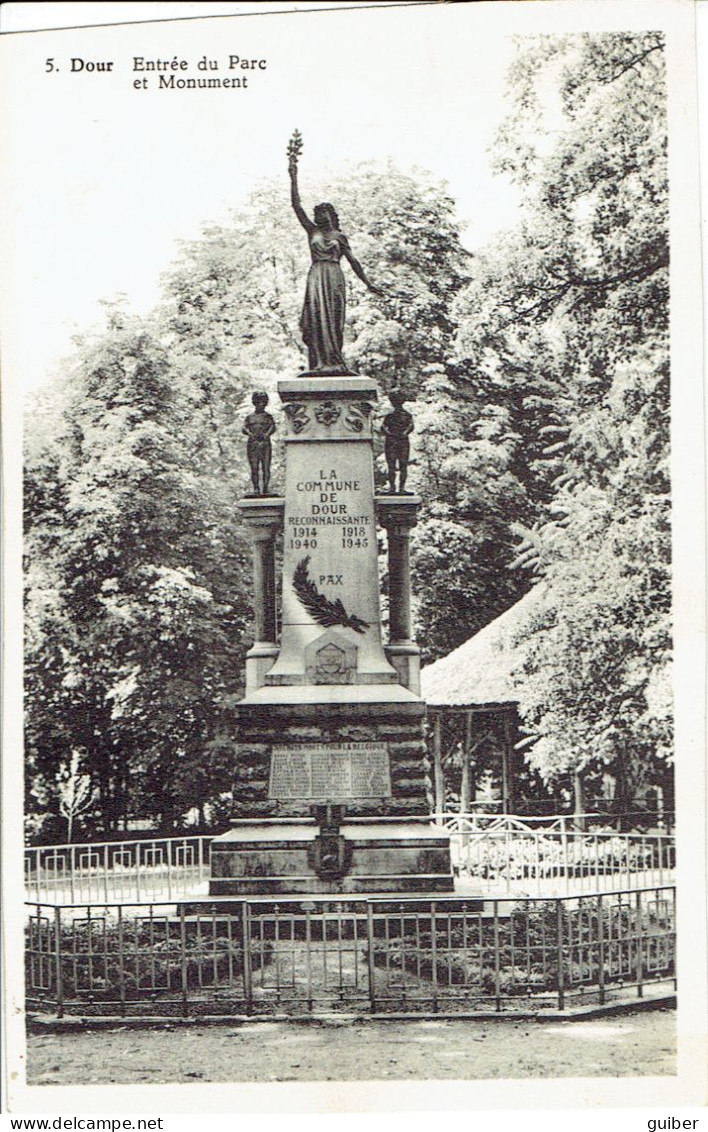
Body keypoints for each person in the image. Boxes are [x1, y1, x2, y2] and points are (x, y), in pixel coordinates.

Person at [288, 131, 382, 374]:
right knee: (317, 319)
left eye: (323, 214)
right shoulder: (312, 231)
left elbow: (353, 261)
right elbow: (296, 206)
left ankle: (334, 361)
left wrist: (368, 283)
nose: (320, 217)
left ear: (331, 215)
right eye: (317, 214)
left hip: (334, 277)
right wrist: (293, 175)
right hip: (317, 276)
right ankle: (318, 363)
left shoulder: (340, 237)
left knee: (335, 319)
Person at [243, 392, 276, 495]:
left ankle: (265, 489)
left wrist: (267, 435)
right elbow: (244, 428)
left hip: (265, 443)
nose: (261, 404)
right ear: (255, 403)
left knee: (266, 467)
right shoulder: (250, 417)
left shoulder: (268, 416)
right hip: (253, 444)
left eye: (263, 402)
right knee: (254, 467)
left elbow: (273, 427)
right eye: (258, 402)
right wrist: (250, 434)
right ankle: (256, 489)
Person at [381, 391, 414, 494]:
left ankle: (400, 488)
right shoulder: (390, 416)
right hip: (394, 441)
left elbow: (411, 426)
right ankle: (394, 488)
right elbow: (383, 427)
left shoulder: (406, 415)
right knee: (393, 465)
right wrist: (391, 434)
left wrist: (402, 434)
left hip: (399, 441)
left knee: (401, 465)